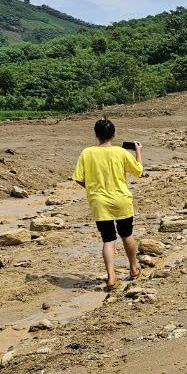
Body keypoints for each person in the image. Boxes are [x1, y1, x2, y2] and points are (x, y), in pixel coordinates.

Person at [73, 118, 143, 291]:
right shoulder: (121, 152)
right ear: (114, 134)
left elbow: (79, 179)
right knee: (127, 235)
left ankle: (111, 276)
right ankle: (134, 268)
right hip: (121, 199)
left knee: (108, 239)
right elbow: (138, 171)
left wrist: (92, 189)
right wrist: (139, 152)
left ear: (96, 135)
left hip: (99, 202)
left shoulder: (87, 153)